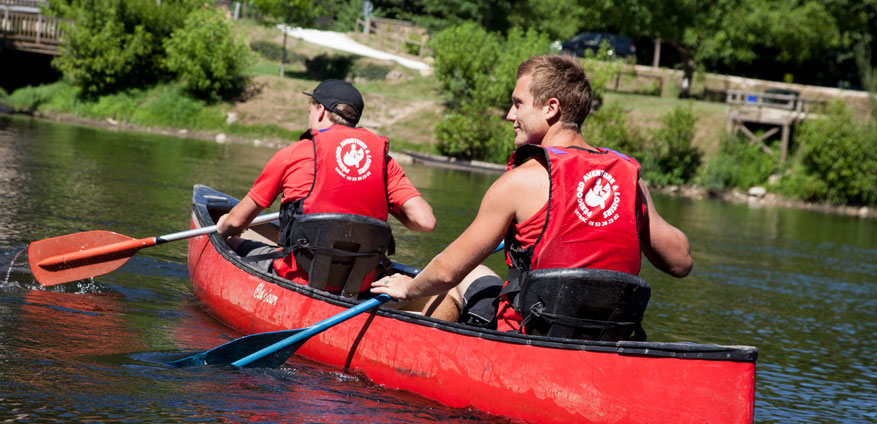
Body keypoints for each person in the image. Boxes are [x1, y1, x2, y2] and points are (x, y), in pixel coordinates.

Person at [371, 54, 692, 332]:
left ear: (551, 108)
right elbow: (681, 262)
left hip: (529, 337)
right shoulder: (629, 178)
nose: (510, 116)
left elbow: (445, 271)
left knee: (459, 278)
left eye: (517, 103)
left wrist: (408, 287)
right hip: (603, 339)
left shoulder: (519, 182)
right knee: (477, 272)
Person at [217, 79, 436, 291]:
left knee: (235, 241)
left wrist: (223, 225)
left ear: (320, 110)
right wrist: (386, 201)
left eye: (310, 110)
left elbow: (237, 222)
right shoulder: (384, 163)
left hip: (297, 278)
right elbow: (425, 222)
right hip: (357, 285)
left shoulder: (293, 154)